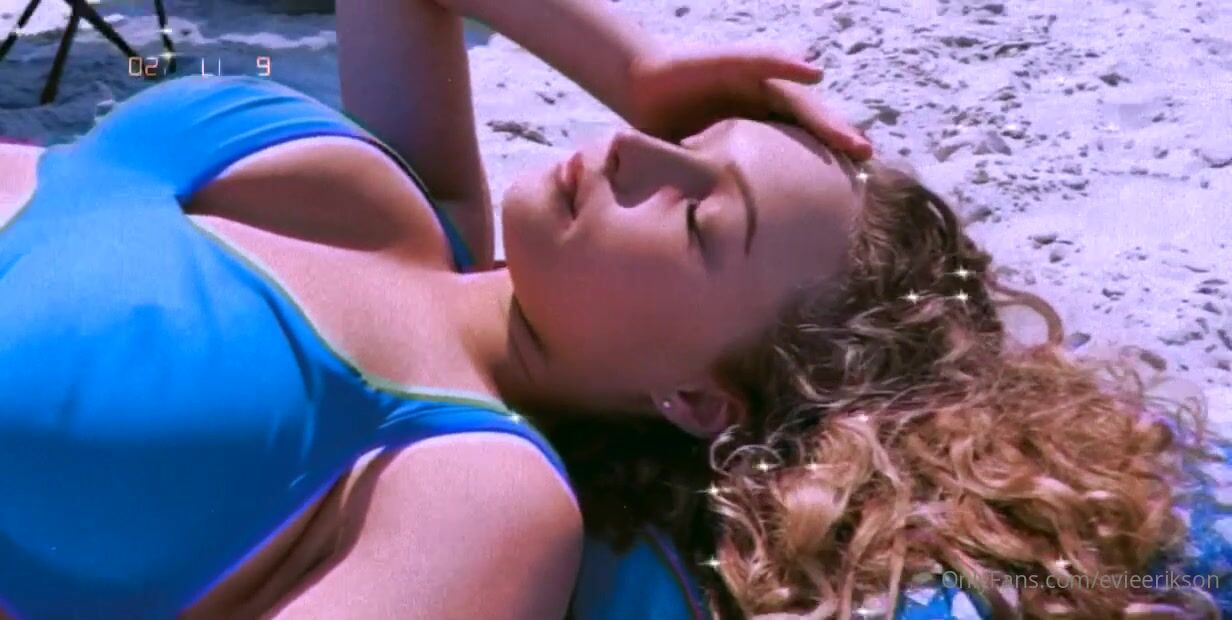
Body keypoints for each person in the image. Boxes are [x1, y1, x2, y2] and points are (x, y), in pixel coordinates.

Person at [0, 0, 872, 618]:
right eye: (685, 138)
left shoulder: (480, 497)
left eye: (698, 219)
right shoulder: (419, 202)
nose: (632, 150)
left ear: (696, 398)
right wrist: (635, 69)